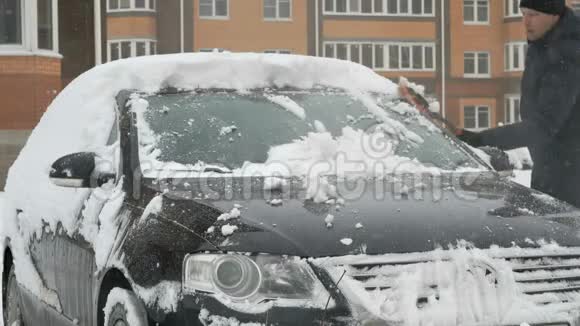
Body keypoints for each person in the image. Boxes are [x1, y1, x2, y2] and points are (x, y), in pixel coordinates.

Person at [457, 0, 580, 207]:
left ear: (554, 15)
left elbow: (544, 125)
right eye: (523, 13)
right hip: (552, 167)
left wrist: (481, 139)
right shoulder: (544, 45)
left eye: (533, 15)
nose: (526, 21)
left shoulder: (567, 53)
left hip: (569, 175)